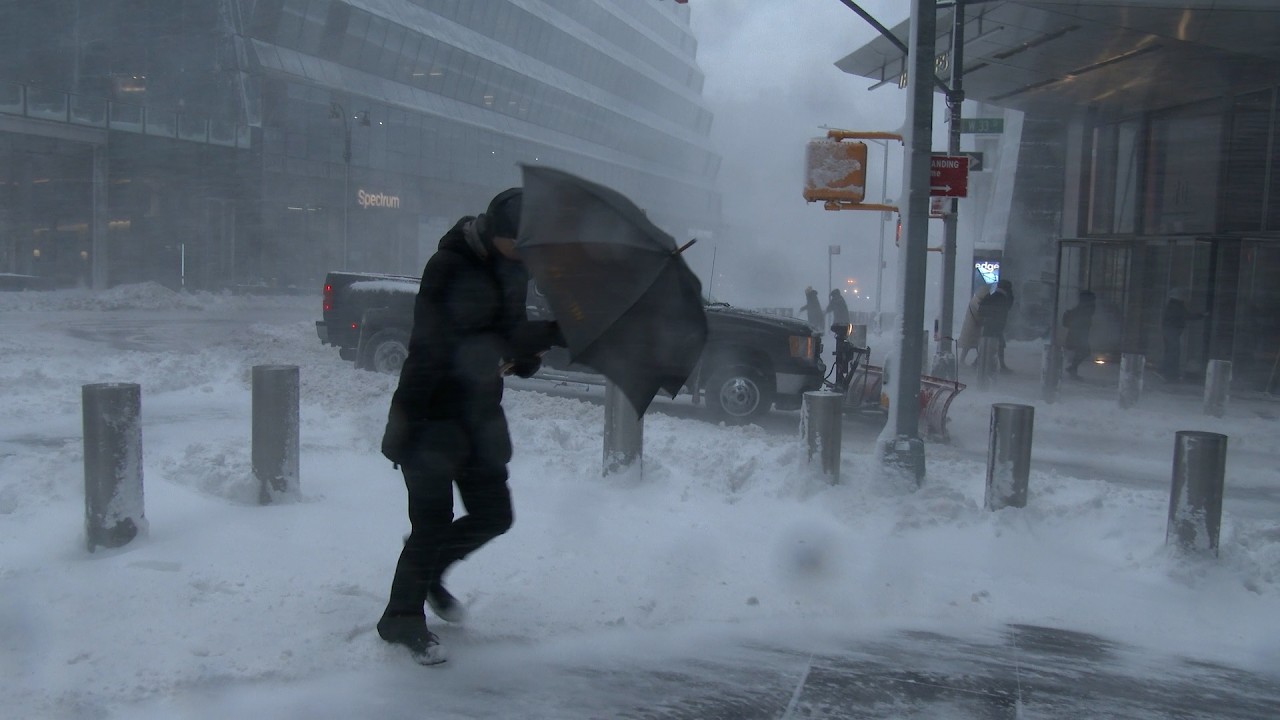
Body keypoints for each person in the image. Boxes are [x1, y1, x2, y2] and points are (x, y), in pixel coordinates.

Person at [377, 187, 563, 665]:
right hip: (431, 414)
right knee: (431, 523)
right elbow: (452, 343)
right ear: (498, 233)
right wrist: (547, 334)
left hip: (479, 415)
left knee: (495, 514)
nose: (525, 254)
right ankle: (400, 620)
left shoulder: (513, 268)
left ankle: (432, 567)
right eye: (519, 243)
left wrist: (525, 360)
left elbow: (507, 338)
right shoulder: (449, 266)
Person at [1161, 288, 1204, 383]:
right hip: (1172, 331)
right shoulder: (1177, 305)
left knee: (1170, 352)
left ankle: (1167, 372)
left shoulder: (1171, 305)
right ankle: (1170, 374)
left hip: (1170, 330)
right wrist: (1201, 315)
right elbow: (1185, 315)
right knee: (1173, 352)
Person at [977, 279, 1014, 372]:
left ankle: (979, 361)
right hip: (997, 325)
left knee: (986, 344)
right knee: (1000, 345)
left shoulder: (990, 296)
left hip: (988, 324)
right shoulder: (1004, 298)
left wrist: (988, 317)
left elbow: (980, 310)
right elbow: (1008, 307)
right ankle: (1001, 365)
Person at [1062, 290, 1096, 379]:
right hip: (1078, 335)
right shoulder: (1085, 308)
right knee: (1084, 352)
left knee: (1082, 352)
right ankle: (1072, 369)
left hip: (1078, 335)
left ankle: (1073, 369)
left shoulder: (1082, 308)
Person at [958, 283, 991, 366]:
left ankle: (972, 361)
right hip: (973, 327)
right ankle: (976, 361)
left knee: (970, 345)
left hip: (972, 326)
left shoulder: (975, 299)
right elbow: (979, 313)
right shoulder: (977, 301)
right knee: (972, 344)